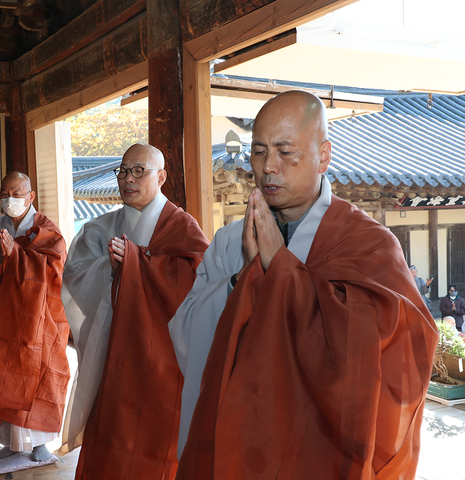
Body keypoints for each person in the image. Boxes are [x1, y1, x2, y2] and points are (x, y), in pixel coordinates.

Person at [170, 91, 438, 479]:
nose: (268, 168)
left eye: (285, 152)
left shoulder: (369, 244)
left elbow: (401, 346)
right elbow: (185, 330)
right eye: (258, 152)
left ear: (323, 156)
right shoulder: (231, 241)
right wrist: (240, 281)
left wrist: (278, 272)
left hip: (317, 448)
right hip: (237, 437)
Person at [60, 144, 209, 479]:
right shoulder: (100, 228)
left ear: (162, 177)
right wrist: (110, 268)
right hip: (112, 348)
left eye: (139, 170)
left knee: (158, 439)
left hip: (163, 355)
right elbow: (74, 277)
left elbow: (200, 282)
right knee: (111, 431)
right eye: (123, 171)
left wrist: (137, 263)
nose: (128, 178)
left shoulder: (182, 227)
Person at [0, 171, 69, 462]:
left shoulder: (47, 228)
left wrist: (17, 257)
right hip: (4, 316)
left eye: (17, 194)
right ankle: (9, 442)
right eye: (5, 194)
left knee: (39, 376)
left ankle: (40, 444)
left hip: (38, 317)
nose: (10, 199)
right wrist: (2, 257)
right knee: (4, 374)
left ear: (30, 196)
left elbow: (56, 266)